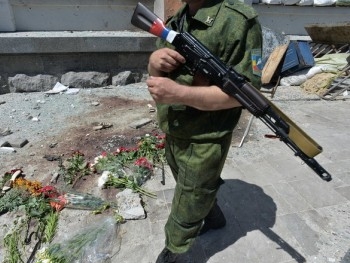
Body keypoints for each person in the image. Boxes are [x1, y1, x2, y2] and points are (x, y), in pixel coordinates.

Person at [146, 0, 262, 262]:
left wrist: (180, 93)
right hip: (175, 127)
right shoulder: (178, 19)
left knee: (190, 197)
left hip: (206, 137)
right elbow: (157, 71)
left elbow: (248, 94)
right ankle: (213, 216)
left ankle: (175, 250)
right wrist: (154, 61)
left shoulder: (240, 21)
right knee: (189, 183)